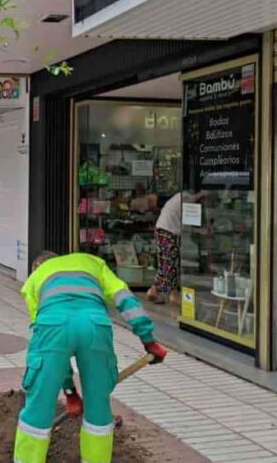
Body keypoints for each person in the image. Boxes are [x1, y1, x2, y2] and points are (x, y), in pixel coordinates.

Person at [14, 251, 167, 463]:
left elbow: (52, 352)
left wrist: (70, 393)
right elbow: (125, 299)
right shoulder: (92, 262)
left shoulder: (33, 282)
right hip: (95, 326)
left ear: (37, 268)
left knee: (38, 407)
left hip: (53, 326)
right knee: (98, 407)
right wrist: (148, 340)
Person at [148, 192, 182, 305]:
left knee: (167, 262)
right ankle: (171, 293)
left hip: (163, 228)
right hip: (170, 230)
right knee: (170, 262)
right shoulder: (190, 197)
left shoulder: (180, 196)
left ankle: (157, 290)